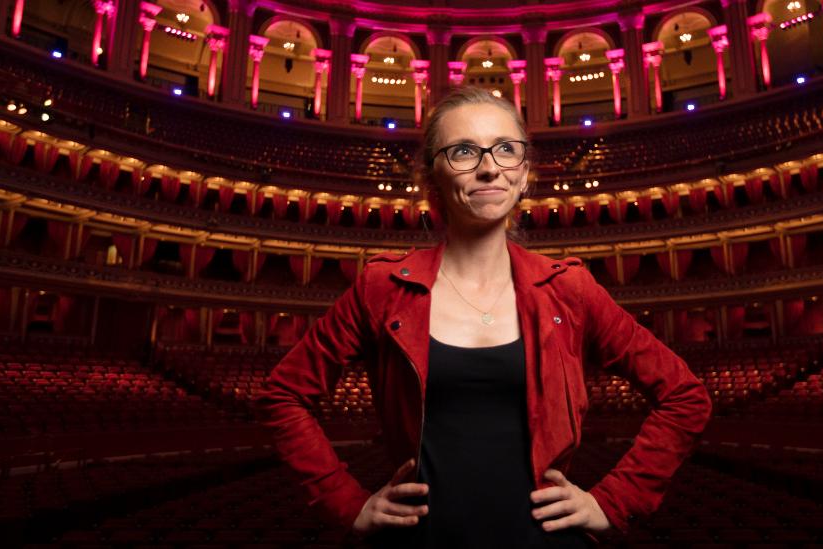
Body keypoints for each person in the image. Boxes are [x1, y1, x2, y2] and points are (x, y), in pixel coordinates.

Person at [256, 87, 712, 548]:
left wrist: (615, 501)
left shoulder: (569, 290)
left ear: (524, 172)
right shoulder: (382, 287)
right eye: (464, 152)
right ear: (432, 176)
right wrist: (346, 503)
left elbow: (684, 396)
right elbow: (283, 395)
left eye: (506, 149)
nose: (490, 167)